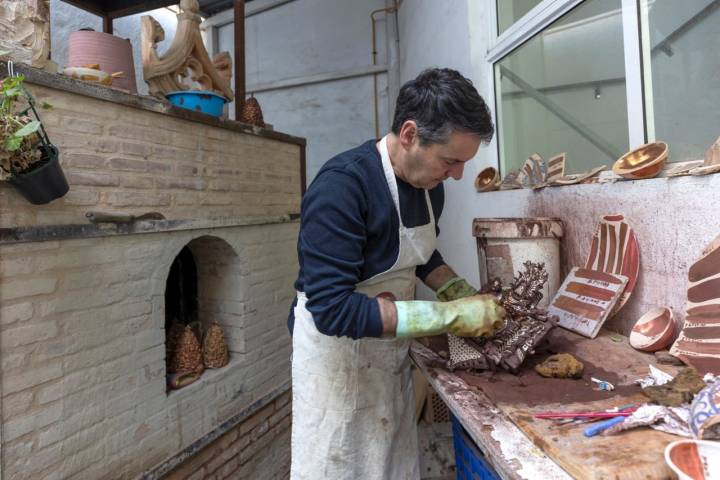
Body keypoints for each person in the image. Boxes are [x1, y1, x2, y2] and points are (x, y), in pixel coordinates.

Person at [288, 68, 507, 479]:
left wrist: (460, 293)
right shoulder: (342, 187)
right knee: (340, 466)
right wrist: (451, 317)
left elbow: (419, 254)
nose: (457, 175)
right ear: (410, 135)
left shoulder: (430, 185)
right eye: (451, 160)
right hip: (337, 362)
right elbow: (332, 309)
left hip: (388, 352)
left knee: (390, 462)